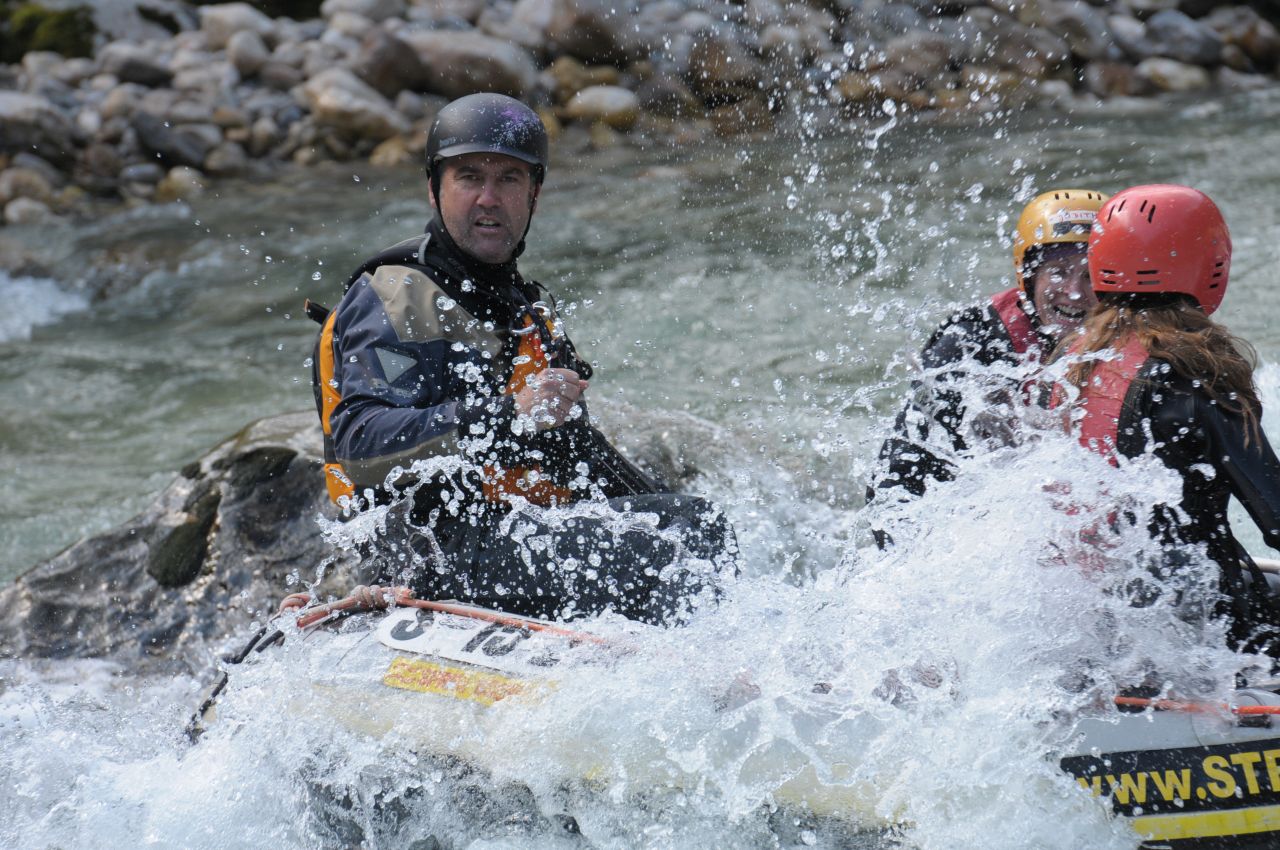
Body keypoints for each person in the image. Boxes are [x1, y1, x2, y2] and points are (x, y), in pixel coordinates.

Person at [307, 93, 735, 626]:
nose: (489, 198)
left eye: (509, 179)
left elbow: (575, 455)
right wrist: (509, 415)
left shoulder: (525, 310)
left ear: (533, 195)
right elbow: (358, 443)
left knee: (692, 524)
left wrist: (654, 505)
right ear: (434, 188)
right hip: (431, 558)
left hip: (508, 540)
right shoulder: (397, 296)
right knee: (678, 539)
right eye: (468, 177)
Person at [1058, 183, 1280, 656]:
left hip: (1094, 613)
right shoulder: (1199, 377)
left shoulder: (1073, 360)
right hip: (1204, 625)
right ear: (1209, 266)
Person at [867, 190, 1109, 533]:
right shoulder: (966, 347)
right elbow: (899, 478)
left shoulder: (1135, 334)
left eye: (1091, 276)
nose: (1073, 292)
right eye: (1058, 272)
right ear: (1028, 276)